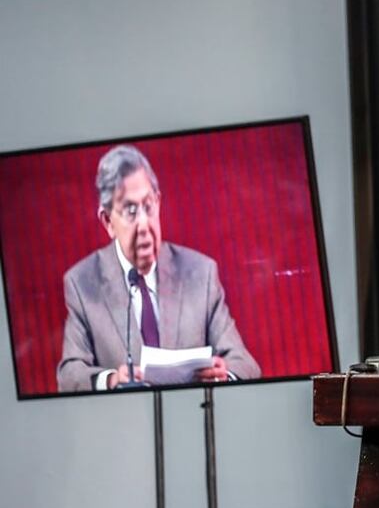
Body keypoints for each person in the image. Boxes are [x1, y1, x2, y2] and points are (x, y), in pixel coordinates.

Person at [57, 145, 261, 392]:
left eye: (148, 206)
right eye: (131, 211)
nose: (144, 224)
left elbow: (245, 364)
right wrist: (112, 381)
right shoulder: (82, 283)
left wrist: (222, 376)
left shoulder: (201, 274)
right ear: (108, 221)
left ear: (159, 203)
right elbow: (69, 375)